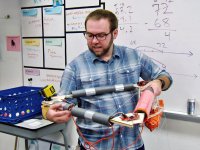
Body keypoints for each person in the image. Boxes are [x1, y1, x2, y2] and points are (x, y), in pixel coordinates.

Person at [45, 9, 173, 150]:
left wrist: (158, 82)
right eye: (89, 35)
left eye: (101, 35)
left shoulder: (133, 57)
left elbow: (165, 77)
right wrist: (51, 113)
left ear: (115, 33)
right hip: (95, 146)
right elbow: (63, 103)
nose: (94, 41)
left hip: (132, 145)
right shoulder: (75, 67)